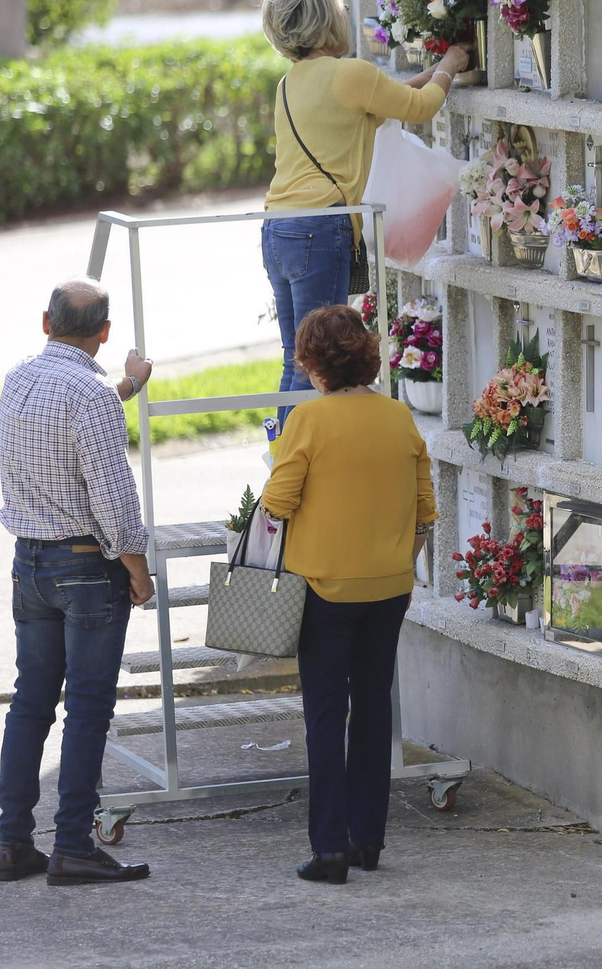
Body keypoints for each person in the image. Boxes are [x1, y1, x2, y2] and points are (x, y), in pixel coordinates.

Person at [261, 305, 437, 884]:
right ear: (363, 354)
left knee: (325, 714)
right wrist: (396, 566)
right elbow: (425, 513)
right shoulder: (399, 417)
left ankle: (330, 849)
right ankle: (369, 840)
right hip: (388, 587)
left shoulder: (308, 422)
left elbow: (278, 504)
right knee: (374, 708)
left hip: (323, 588)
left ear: (314, 363)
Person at [259, 0, 468, 441]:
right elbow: (418, 109)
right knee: (318, 359)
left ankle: (283, 453)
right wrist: (451, 66)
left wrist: (431, 73)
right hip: (319, 227)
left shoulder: (291, 82)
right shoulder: (348, 73)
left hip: (278, 229)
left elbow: (378, 107)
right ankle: (294, 464)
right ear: (330, 18)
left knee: (297, 357)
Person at [0, 277, 155, 886]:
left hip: (29, 562)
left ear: (46, 323)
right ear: (105, 333)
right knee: (87, 709)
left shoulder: (20, 380)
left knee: (30, 702)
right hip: (88, 567)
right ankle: (73, 846)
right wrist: (137, 570)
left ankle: (12, 843)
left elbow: (66, 430)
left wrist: (126, 390)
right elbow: (113, 496)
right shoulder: (89, 395)